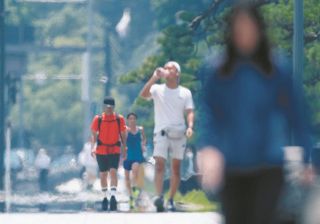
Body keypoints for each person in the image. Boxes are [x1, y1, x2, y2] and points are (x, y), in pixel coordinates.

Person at [197, 4, 313, 224]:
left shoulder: (277, 69)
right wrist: (209, 149)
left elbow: (297, 117)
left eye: (250, 28)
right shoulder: (218, 71)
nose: (245, 35)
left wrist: (307, 159)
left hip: (268, 164)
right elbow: (210, 117)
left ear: (260, 30)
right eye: (239, 29)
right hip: (231, 164)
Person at [140, 61, 195, 212]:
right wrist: (153, 78)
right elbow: (143, 95)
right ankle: (159, 197)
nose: (166, 70)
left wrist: (190, 126)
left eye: (170, 68)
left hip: (179, 132)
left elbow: (189, 111)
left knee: (175, 168)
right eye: (165, 68)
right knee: (159, 165)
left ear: (177, 73)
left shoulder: (185, 92)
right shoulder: (157, 89)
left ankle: (170, 199)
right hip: (161, 132)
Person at [91, 96, 127, 211]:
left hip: (114, 149)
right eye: (107, 107)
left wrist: (124, 147)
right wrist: (93, 147)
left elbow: (123, 133)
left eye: (111, 107)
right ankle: (104, 196)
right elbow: (94, 135)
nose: (109, 109)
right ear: (104, 107)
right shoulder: (98, 119)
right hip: (101, 149)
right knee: (103, 174)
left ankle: (113, 196)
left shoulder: (119, 119)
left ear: (113, 107)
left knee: (113, 171)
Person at [123, 112, 147, 209]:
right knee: (127, 178)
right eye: (130, 118)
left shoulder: (140, 129)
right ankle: (131, 197)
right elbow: (122, 142)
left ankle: (134, 189)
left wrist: (143, 145)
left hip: (137, 155)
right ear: (128, 120)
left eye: (134, 118)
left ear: (136, 120)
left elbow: (144, 139)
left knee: (135, 171)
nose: (132, 120)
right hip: (127, 156)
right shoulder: (125, 130)